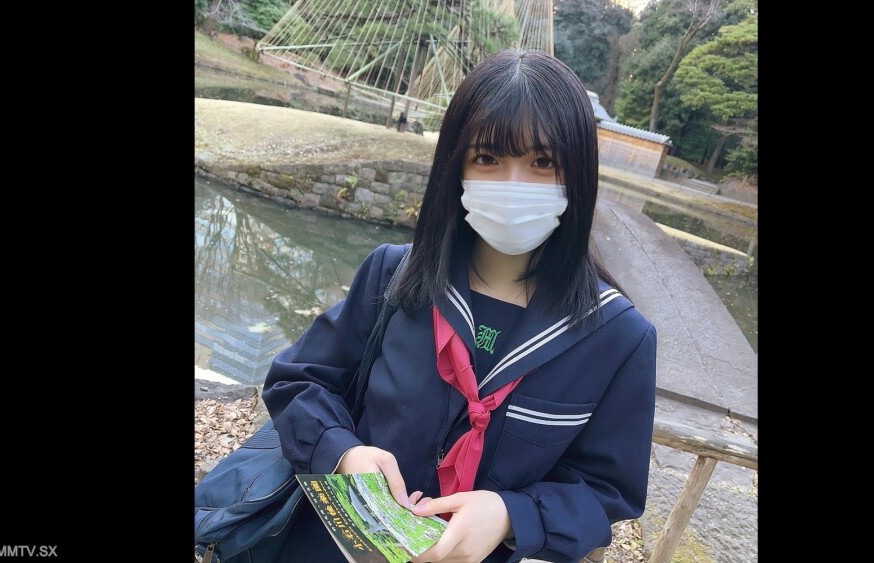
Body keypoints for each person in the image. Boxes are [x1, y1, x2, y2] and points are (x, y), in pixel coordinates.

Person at [262, 48, 657, 563]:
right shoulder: (394, 276)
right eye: (487, 158)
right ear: (456, 164)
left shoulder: (618, 337)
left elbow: (607, 489)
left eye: (543, 162)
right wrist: (342, 450)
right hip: (330, 546)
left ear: (578, 173)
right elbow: (298, 380)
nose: (513, 186)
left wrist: (514, 515)